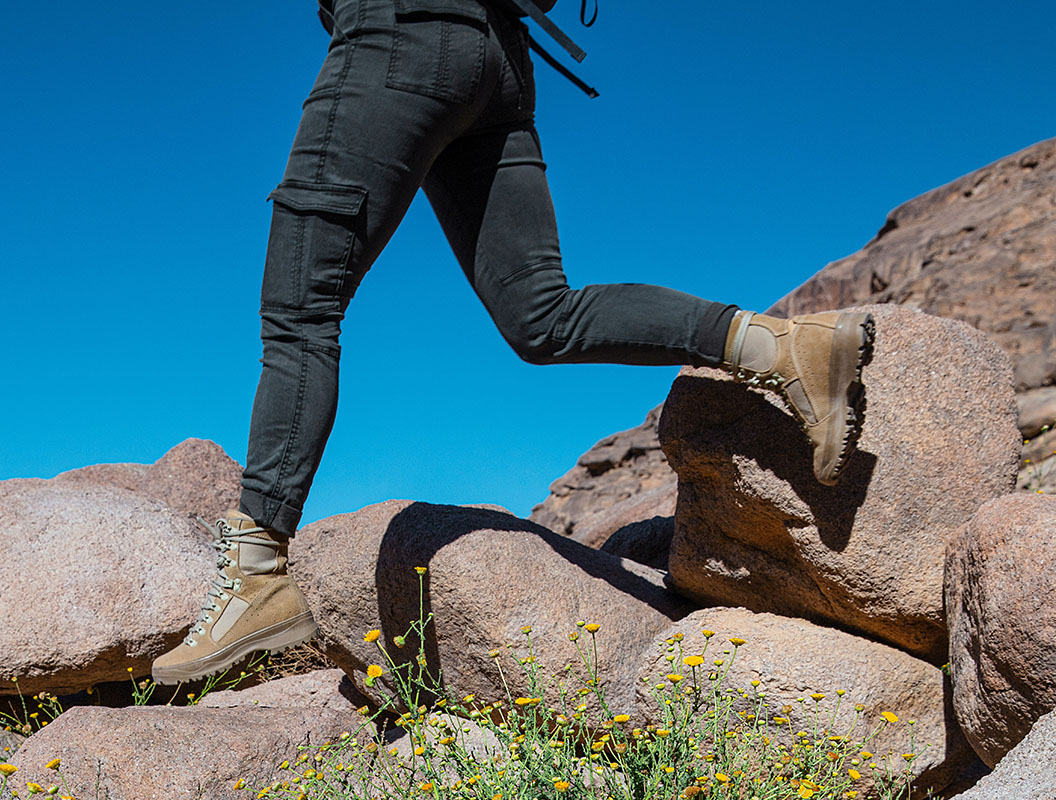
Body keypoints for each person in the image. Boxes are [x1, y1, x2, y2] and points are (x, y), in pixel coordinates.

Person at [151, 0, 874, 685]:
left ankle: (255, 570)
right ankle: (782, 348)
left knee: (300, 311)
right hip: (497, 65)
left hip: (394, 39)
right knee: (541, 314)